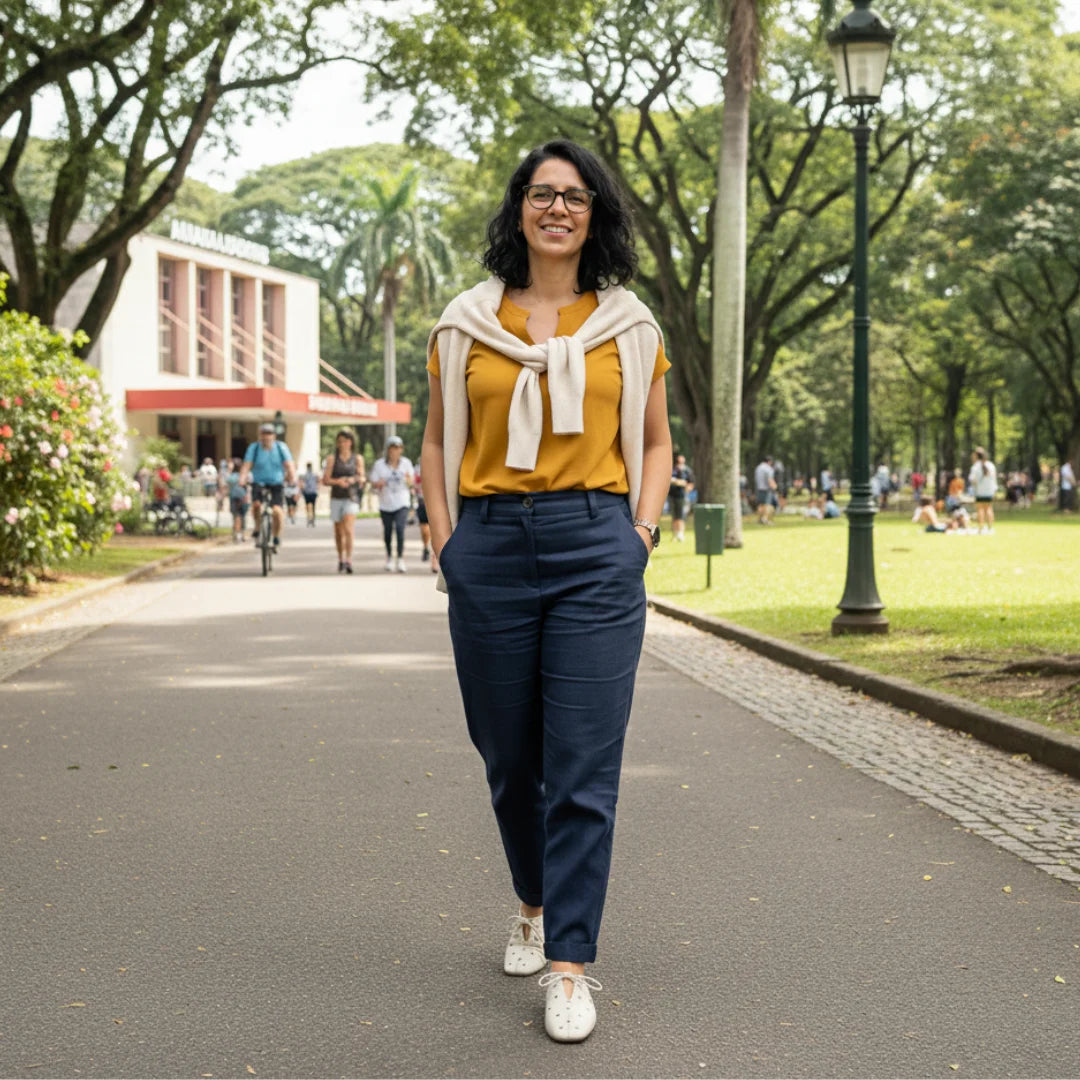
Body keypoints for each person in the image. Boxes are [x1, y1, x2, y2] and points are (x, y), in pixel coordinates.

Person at [421, 139, 671, 1043]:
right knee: (509, 759)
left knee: (583, 768)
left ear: (595, 213)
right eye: (541, 193)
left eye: (575, 195)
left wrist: (639, 533)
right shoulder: (464, 323)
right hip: (487, 549)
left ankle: (569, 963)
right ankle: (531, 898)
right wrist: (450, 548)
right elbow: (439, 446)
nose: (557, 207)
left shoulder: (629, 326)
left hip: (596, 550)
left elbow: (653, 442)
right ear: (518, 210)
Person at [239, 423, 296, 553]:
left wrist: (292, 478)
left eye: (269, 434)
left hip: (276, 483)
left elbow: (289, 465)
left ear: (274, 436)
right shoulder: (254, 448)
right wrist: (242, 479)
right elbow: (246, 466)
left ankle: (276, 536)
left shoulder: (281, 447)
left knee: (277, 511)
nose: (266, 437)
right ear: (260, 436)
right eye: (264, 434)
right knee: (257, 505)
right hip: (259, 482)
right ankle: (258, 527)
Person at [370, 435, 414, 572]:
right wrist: (379, 483)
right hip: (386, 503)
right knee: (388, 532)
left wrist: (408, 479)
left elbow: (411, 483)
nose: (395, 451)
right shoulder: (379, 465)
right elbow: (373, 483)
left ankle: (400, 559)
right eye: (392, 448)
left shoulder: (406, 463)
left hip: (402, 503)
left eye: (398, 448)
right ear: (388, 450)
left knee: (400, 529)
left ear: (401, 449)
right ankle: (389, 557)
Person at [322, 430, 364, 573]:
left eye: (345, 441)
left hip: (351, 497)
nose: (342, 444)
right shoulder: (332, 459)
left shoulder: (357, 458)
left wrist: (354, 479)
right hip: (336, 497)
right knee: (339, 532)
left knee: (348, 529)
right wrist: (338, 481)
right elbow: (325, 480)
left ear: (350, 442)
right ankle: (340, 558)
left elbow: (362, 477)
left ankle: (349, 559)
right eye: (340, 441)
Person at [412, 463, 438, 572]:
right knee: (425, 531)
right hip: (423, 502)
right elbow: (414, 484)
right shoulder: (418, 468)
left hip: (438, 503)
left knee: (436, 533)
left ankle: (435, 562)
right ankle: (425, 547)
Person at [968, 446, 997, 534]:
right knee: (989, 508)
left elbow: (972, 480)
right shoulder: (991, 465)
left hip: (980, 491)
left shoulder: (975, 467)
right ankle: (990, 528)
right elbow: (994, 478)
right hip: (989, 491)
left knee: (980, 509)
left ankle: (981, 528)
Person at [668, 453, 694, 541]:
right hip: (672, 495)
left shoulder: (687, 471)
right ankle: (675, 533)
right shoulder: (672, 470)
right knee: (674, 515)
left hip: (682, 496)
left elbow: (690, 483)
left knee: (681, 515)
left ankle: (681, 533)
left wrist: (685, 486)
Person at [226, 458, 248, 542]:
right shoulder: (244, 475)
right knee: (242, 517)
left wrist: (229, 469)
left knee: (236, 516)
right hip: (243, 498)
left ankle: (236, 534)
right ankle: (242, 534)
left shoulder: (231, 476)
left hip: (234, 498)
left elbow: (226, 483)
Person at [754, 456, 776, 524]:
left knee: (760, 504)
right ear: (769, 461)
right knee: (767, 505)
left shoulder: (758, 468)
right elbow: (770, 479)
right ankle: (765, 519)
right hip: (766, 489)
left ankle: (760, 519)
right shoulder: (768, 468)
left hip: (759, 488)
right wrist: (774, 486)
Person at [301, 461, 320, 526]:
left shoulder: (306, 475)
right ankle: (312, 520)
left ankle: (310, 519)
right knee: (313, 507)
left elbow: (302, 483)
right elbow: (318, 482)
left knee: (308, 507)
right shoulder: (313, 474)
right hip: (312, 492)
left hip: (308, 492)